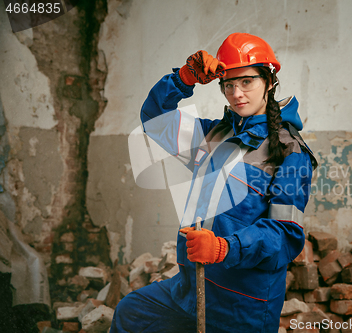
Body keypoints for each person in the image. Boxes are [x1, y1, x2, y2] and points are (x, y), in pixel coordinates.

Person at [110, 32, 317, 333]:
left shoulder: (290, 152)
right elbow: (155, 122)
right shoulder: (213, 135)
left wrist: (224, 248)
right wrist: (184, 78)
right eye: (229, 84)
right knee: (132, 314)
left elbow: (285, 235)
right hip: (190, 289)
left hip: (242, 305)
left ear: (269, 82)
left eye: (247, 81)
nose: (237, 93)